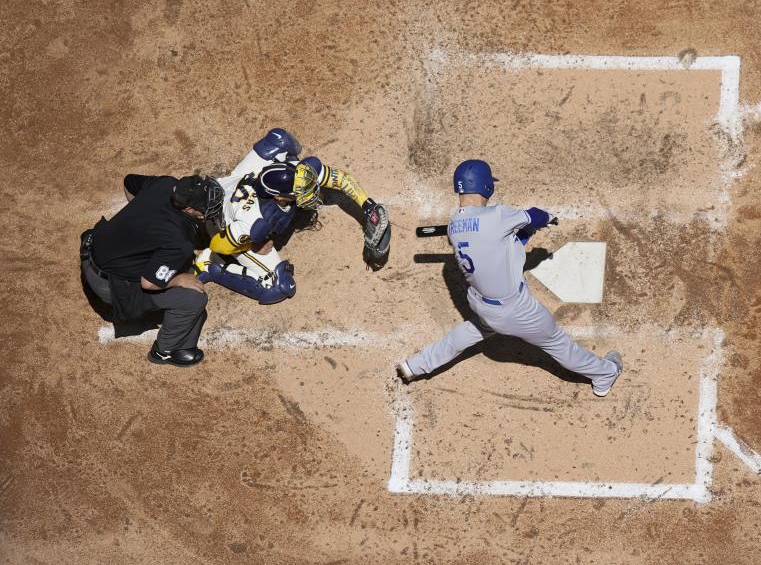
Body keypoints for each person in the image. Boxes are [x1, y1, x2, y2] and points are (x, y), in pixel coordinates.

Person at [397, 159, 623, 396]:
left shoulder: (454, 225)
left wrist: (521, 236)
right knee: (558, 343)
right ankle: (605, 373)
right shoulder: (499, 215)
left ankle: (415, 365)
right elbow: (535, 215)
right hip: (516, 311)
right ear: (486, 186)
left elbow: (496, 248)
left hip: (482, 304)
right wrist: (548, 219)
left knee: (470, 332)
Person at [192, 128, 391, 304]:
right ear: (279, 196)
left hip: (231, 183)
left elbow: (341, 180)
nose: (312, 194)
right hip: (224, 226)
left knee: (280, 139)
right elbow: (220, 244)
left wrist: (367, 205)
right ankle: (211, 267)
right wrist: (253, 244)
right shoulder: (255, 221)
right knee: (280, 287)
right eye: (301, 193)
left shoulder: (299, 173)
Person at [80, 174, 225, 366]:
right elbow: (148, 284)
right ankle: (166, 351)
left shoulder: (166, 184)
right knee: (193, 298)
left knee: (174, 262)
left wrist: (144, 222)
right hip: (108, 284)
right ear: (189, 209)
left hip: (94, 248)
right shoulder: (179, 241)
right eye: (205, 207)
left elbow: (129, 182)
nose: (211, 208)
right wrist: (178, 279)